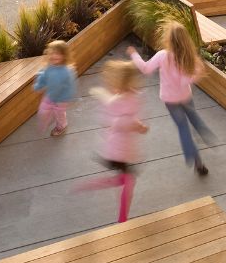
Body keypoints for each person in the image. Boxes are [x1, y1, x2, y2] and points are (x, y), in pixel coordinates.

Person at [127, 22, 209, 176]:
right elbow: (195, 74)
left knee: (183, 128)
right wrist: (190, 77)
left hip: (170, 100)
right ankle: (205, 133)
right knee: (193, 116)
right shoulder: (188, 56)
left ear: (168, 40)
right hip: (185, 96)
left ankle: (197, 162)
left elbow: (145, 69)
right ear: (185, 40)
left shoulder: (162, 55)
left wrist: (134, 54)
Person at [77, 60, 148, 223]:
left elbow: (113, 115)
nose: (138, 81)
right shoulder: (123, 100)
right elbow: (120, 122)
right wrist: (139, 126)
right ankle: (122, 218)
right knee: (128, 181)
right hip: (119, 153)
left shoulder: (126, 97)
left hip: (121, 150)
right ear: (128, 82)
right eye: (134, 79)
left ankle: (106, 185)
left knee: (127, 179)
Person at [33, 40, 76, 136]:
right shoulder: (49, 67)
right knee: (43, 110)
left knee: (59, 114)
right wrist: (39, 85)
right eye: (52, 53)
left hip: (61, 99)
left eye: (58, 54)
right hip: (51, 94)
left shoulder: (66, 71)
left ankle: (61, 126)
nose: (54, 56)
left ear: (64, 55)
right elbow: (43, 75)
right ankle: (48, 119)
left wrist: (67, 98)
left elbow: (69, 86)